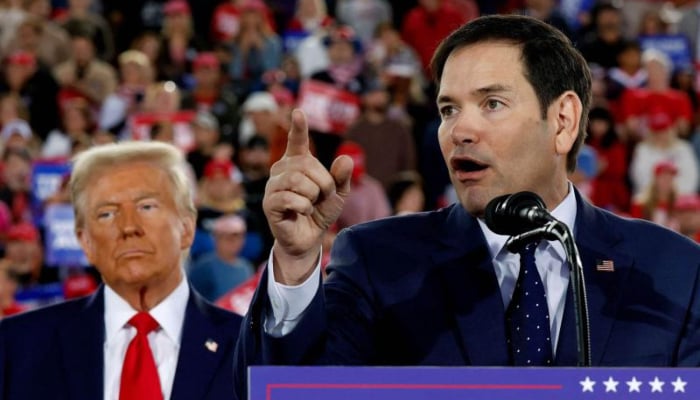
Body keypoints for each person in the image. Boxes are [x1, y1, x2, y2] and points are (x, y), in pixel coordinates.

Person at [234, 14, 700, 396]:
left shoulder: (672, 271)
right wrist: (295, 267)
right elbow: (295, 391)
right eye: (448, 109)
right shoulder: (379, 261)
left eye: (492, 103)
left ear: (563, 121)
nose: (459, 130)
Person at [0, 141, 243, 400]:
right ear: (86, 242)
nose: (128, 226)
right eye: (106, 214)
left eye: (146, 207)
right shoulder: (16, 346)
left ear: (186, 228)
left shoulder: (254, 348)